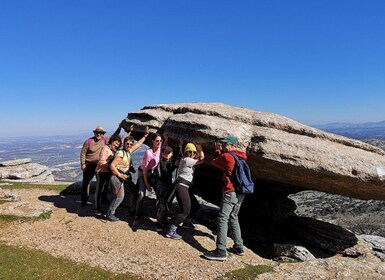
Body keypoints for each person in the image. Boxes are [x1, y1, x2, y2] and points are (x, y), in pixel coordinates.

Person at [203, 135, 246, 261]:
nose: (223, 146)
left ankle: (220, 251)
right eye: (222, 144)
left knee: (223, 218)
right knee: (233, 217)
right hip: (241, 192)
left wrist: (217, 150)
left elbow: (214, 162)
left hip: (230, 191)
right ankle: (239, 247)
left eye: (225, 144)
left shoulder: (227, 156)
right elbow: (226, 168)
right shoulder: (241, 157)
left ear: (232, 145)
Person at [106, 126, 150, 222]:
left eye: (130, 144)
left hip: (125, 177)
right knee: (119, 196)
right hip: (117, 177)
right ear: (124, 144)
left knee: (134, 191)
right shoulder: (120, 153)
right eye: (127, 144)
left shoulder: (128, 152)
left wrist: (145, 136)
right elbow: (112, 166)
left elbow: (138, 144)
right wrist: (120, 175)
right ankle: (110, 213)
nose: (129, 145)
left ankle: (132, 210)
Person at [79, 123, 125, 206]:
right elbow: (83, 153)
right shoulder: (89, 141)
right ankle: (84, 200)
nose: (99, 134)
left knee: (103, 184)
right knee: (86, 183)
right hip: (89, 165)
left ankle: (103, 199)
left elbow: (115, 136)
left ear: (103, 134)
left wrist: (119, 128)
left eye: (101, 133)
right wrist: (83, 164)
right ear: (94, 133)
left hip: (100, 166)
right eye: (97, 133)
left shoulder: (105, 140)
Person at [166, 142, 204, 240]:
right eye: (189, 152)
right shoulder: (187, 160)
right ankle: (171, 231)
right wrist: (200, 149)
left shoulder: (185, 159)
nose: (192, 154)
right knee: (185, 210)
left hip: (185, 186)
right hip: (182, 186)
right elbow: (202, 159)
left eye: (194, 152)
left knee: (195, 206)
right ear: (186, 152)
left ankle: (186, 222)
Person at [132, 133, 163, 226]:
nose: (159, 142)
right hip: (144, 174)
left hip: (154, 174)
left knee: (160, 194)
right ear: (152, 141)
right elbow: (144, 170)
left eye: (160, 141)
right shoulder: (148, 153)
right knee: (141, 194)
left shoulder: (161, 150)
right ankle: (137, 216)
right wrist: (147, 184)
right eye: (157, 141)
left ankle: (160, 217)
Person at [155, 135, 183, 232]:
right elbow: (167, 171)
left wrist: (180, 145)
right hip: (163, 185)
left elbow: (175, 153)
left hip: (168, 184)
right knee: (162, 203)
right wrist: (175, 166)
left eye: (168, 153)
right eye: (165, 153)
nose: (167, 154)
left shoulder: (170, 159)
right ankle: (158, 222)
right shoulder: (162, 162)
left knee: (167, 203)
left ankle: (163, 219)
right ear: (162, 154)